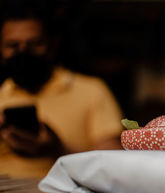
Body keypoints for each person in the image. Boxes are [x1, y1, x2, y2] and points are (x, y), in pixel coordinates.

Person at [0, 7, 123, 178]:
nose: (23, 52)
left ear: (53, 45)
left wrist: (57, 149)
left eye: (35, 44)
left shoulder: (91, 90)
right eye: (13, 45)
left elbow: (114, 162)